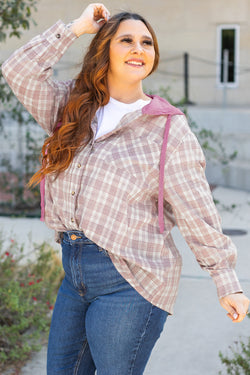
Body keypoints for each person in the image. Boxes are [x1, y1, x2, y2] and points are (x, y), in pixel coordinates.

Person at [2, 3, 249, 375]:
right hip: (74, 272)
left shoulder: (167, 129)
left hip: (131, 280)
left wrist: (226, 281)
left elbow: (196, 209)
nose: (139, 48)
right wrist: (75, 28)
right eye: (127, 40)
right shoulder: (72, 107)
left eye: (147, 42)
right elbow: (17, 70)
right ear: (105, 49)